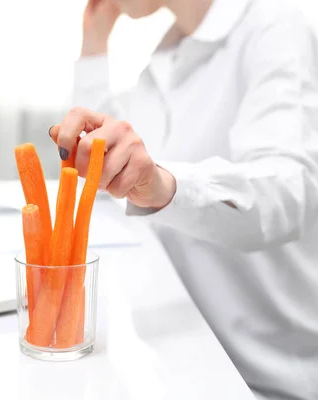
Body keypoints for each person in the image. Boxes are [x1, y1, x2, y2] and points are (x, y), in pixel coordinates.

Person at [49, 0, 318, 399]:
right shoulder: (169, 52)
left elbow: (288, 193)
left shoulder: (275, 27)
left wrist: (163, 184)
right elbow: (111, 177)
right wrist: (94, 46)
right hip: (187, 358)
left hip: (264, 377)